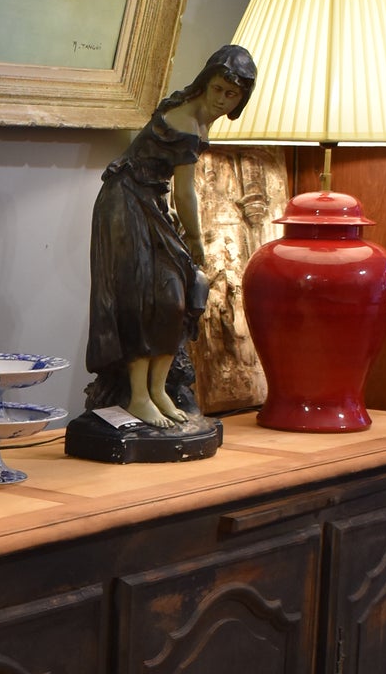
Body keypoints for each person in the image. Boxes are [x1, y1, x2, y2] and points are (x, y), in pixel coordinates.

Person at [84, 45, 257, 428]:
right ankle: (138, 396)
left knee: (178, 292)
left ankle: (159, 389)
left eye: (232, 95)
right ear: (205, 82)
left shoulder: (200, 119)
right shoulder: (185, 121)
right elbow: (184, 192)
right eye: (218, 90)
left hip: (148, 202)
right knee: (144, 295)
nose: (222, 100)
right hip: (124, 204)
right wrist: (195, 240)